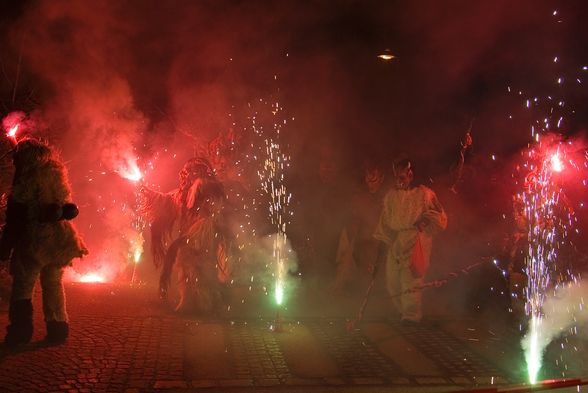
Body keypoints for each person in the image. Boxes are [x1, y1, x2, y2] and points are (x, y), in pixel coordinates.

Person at [0, 138, 88, 345]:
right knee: (53, 285)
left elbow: (15, 217)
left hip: (33, 242)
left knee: (23, 286)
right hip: (57, 242)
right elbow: (65, 204)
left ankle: (20, 332)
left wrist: (5, 247)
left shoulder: (24, 181)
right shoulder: (56, 173)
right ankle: (58, 329)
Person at [374, 158, 447, 324]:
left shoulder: (425, 194)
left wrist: (425, 220)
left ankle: (411, 316)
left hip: (416, 239)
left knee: (411, 279)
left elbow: (440, 216)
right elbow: (384, 222)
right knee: (392, 279)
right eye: (396, 177)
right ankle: (401, 312)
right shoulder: (391, 196)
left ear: (410, 174)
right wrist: (383, 242)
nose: (399, 181)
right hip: (397, 242)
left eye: (402, 177)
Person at [334, 161, 385, 292]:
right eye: (368, 179)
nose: (370, 183)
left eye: (374, 179)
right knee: (360, 278)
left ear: (381, 178)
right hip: (362, 243)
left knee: (377, 279)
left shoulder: (387, 198)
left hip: (379, 243)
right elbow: (353, 219)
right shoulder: (360, 197)